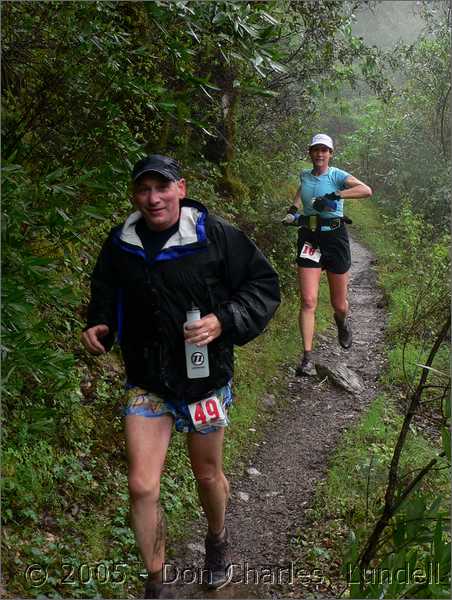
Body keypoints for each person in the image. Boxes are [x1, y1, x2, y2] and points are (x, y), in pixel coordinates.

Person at [81, 154, 280, 599]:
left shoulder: (215, 236)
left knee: (207, 475)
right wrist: (99, 325)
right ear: (135, 196)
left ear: (181, 189)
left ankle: (216, 541)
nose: (153, 199)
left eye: (162, 188)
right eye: (144, 190)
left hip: (203, 382)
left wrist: (223, 320)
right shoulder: (121, 243)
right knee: (141, 483)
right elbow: (106, 293)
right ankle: (156, 581)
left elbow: (263, 285)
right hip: (148, 381)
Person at [283, 134, 372, 376]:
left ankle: (342, 322)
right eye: (316, 150)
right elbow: (303, 190)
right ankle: (307, 358)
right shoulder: (305, 174)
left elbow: (366, 190)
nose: (320, 154)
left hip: (335, 238)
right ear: (310, 152)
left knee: (339, 304)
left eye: (324, 150)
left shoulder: (337, 175)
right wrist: (293, 210)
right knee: (309, 300)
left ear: (330, 153)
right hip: (310, 239)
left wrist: (336, 195)